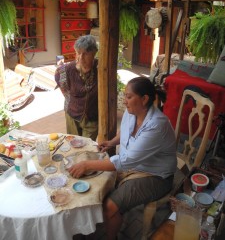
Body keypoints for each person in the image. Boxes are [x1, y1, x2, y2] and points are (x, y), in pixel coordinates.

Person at [67, 76, 177, 240]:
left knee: (109, 207)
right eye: (125, 95)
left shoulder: (156, 125)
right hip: (134, 166)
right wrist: (111, 142)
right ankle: (97, 222)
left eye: (129, 96)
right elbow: (125, 133)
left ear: (144, 99)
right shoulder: (131, 112)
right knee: (95, 187)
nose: (125, 101)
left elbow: (125, 161)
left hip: (156, 176)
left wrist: (87, 164)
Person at [55, 35, 98, 140]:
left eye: (86, 54)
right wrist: (70, 99)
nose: (80, 57)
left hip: (92, 117)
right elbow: (59, 79)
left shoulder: (101, 69)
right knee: (73, 145)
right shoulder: (68, 70)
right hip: (72, 115)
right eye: (78, 53)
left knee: (87, 147)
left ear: (94, 54)